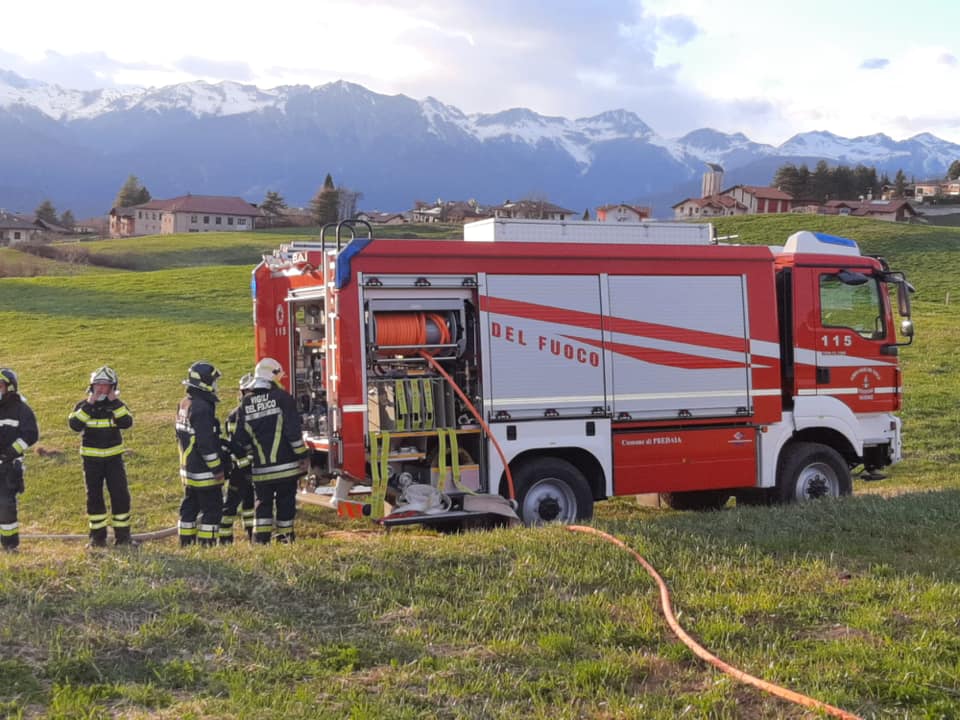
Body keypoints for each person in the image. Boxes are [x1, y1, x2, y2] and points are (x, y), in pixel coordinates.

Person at [230, 357, 308, 543]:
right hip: (286, 468)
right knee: (285, 504)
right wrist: (303, 455)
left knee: (262, 505)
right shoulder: (283, 398)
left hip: (260, 471)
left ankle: (260, 541)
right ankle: (285, 540)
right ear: (272, 377)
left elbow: (240, 439)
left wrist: (255, 455)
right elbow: (293, 433)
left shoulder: (245, 405)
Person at [68, 366, 136, 548]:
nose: (101, 389)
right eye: (98, 385)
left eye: (106, 386)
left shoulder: (117, 406)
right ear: (92, 386)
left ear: (112, 387)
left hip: (114, 461)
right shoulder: (83, 406)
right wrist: (90, 404)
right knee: (95, 498)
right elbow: (74, 424)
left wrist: (115, 402)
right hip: (91, 463)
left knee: (120, 496)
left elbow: (126, 422)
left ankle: (123, 538)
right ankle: (97, 539)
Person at [175, 361, 225, 547]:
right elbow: (206, 443)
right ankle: (207, 545)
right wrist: (217, 468)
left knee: (189, 507)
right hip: (204, 473)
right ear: (204, 383)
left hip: (189, 470)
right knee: (212, 510)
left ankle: (185, 543)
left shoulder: (184, 403)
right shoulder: (202, 408)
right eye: (213, 382)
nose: (215, 386)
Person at [0, 368, 39, 553]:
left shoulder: (21, 409)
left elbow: (30, 434)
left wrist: (10, 452)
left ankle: (9, 545)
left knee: (6, 505)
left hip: (8, 467)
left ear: (10, 387)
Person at [219, 373, 256, 544]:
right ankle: (225, 538)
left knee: (249, 503)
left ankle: (250, 533)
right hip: (242, 468)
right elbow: (237, 442)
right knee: (231, 505)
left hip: (245, 466)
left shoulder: (238, 413)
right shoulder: (239, 414)